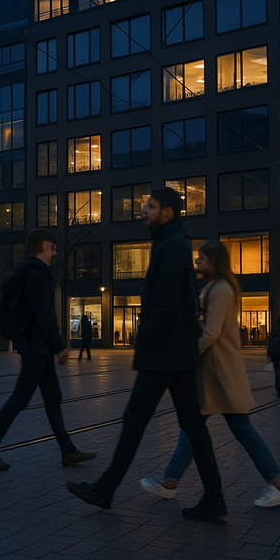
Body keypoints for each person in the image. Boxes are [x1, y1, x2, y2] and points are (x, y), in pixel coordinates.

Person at [66, 187, 226, 520]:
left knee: (136, 419)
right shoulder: (171, 242)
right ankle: (214, 498)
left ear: (167, 212)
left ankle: (105, 490)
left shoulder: (172, 245)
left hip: (165, 352)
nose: (143, 210)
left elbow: (165, 304)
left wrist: (146, 343)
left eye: (150, 206)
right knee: (193, 426)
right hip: (177, 352)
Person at [139, 240, 280, 509]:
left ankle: (277, 485)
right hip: (214, 372)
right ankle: (170, 481)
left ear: (214, 261)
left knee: (237, 428)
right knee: (194, 428)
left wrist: (184, 356)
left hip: (221, 372)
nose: (198, 262)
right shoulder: (215, 287)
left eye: (202, 258)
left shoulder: (221, 289)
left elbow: (211, 333)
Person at [0, 228, 96, 471]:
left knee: (53, 398)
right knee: (20, 399)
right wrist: (58, 346)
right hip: (36, 348)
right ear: (43, 246)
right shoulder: (37, 274)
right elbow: (44, 313)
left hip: (36, 347)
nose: (55, 252)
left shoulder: (28, 272)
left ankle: (68, 451)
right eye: (52, 247)